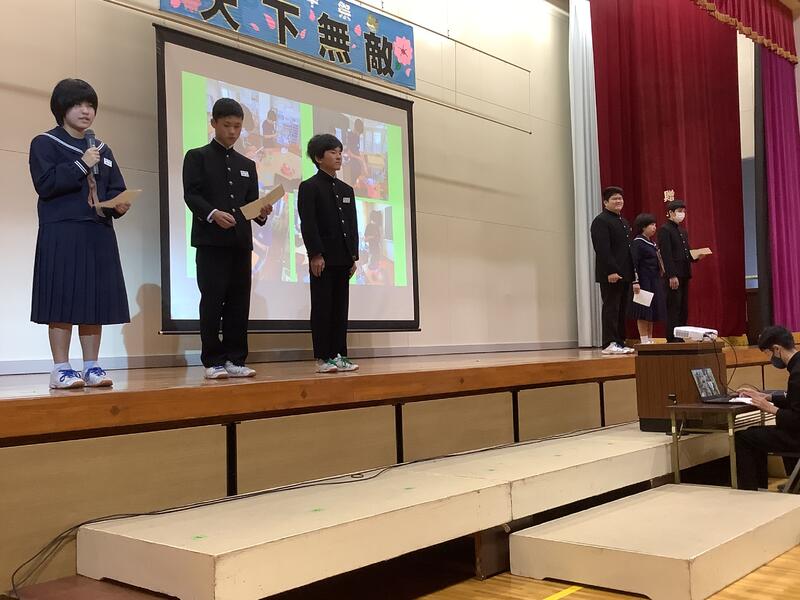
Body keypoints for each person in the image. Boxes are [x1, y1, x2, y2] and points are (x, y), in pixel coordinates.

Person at [29, 78, 131, 389]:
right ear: (61, 109)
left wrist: (119, 205)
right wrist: (80, 164)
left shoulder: (102, 148)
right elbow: (46, 184)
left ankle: (91, 366)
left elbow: (115, 187)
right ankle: (61, 368)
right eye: (77, 105)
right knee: (61, 300)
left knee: (93, 300)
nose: (86, 111)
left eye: (90, 105)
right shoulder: (45, 143)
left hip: (98, 231)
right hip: (62, 231)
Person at [183, 98, 272, 379]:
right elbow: (191, 195)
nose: (233, 131)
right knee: (212, 300)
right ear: (213, 123)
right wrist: (212, 213)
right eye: (227, 125)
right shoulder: (197, 156)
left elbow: (250, 204)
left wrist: (261, 212)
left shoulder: (247, 164)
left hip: (240, 243)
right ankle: (212, 360)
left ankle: (236, 358)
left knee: (238, 302)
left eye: (237, 126)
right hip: (211, 242)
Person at [298, 134, 359, 373]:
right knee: (322, 307)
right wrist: (315, 254)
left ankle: (339, 354)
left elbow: (352, 225)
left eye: (340, 152)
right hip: (322, 259)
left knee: (340, 309)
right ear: (318, 157)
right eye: (333, 152)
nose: (338, 156)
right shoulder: (310, 187)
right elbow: (308, 223)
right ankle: (323, 357)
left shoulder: (346, 189)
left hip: (344, 258)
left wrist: (353, 257)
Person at [735, 326, 800, 490]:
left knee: (744, 438)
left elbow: (796, 419)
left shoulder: (797, 373)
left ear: (777, 349)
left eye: (767, 354)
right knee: (754, 433)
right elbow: (795, 400)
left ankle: (751, 491)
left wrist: (770, 408)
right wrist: (767, 397)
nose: (770, 359)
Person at [590, 186, 637, 355]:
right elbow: (602, 249)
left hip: (625, 273)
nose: (619, 201)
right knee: (611, 308)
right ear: (605, 202)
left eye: (620, 198)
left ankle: (620, 341)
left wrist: (632, 274)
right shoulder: (601, 221)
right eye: (614, 199)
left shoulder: (623, 222)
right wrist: (611, 271)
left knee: (622, 309)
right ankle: (609, 342)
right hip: (611, 273)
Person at [657, 199, 702, 342]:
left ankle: (681, 336)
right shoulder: (665, 230)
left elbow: (686, 252)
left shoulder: (682, 231)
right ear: (670, 213)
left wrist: (696, 256)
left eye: (683, 211)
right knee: (673, 306)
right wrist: (671, 275)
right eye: (679, 211)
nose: (682, 214)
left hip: (684, 273)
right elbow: (666, 254)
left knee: (683, 307)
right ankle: (672, 337)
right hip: (674, 275)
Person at [629, 213, 666, 344]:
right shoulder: (638, 243)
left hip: (654, 280)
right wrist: (635, 281)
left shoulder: (652, 243)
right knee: (643, 311)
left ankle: (650, 338)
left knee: (652, 311)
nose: (654, 227)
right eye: (651, 225)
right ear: (643, 227)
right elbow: (633, 263)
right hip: (643, 281)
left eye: (655, 225)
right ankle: (644, 339)